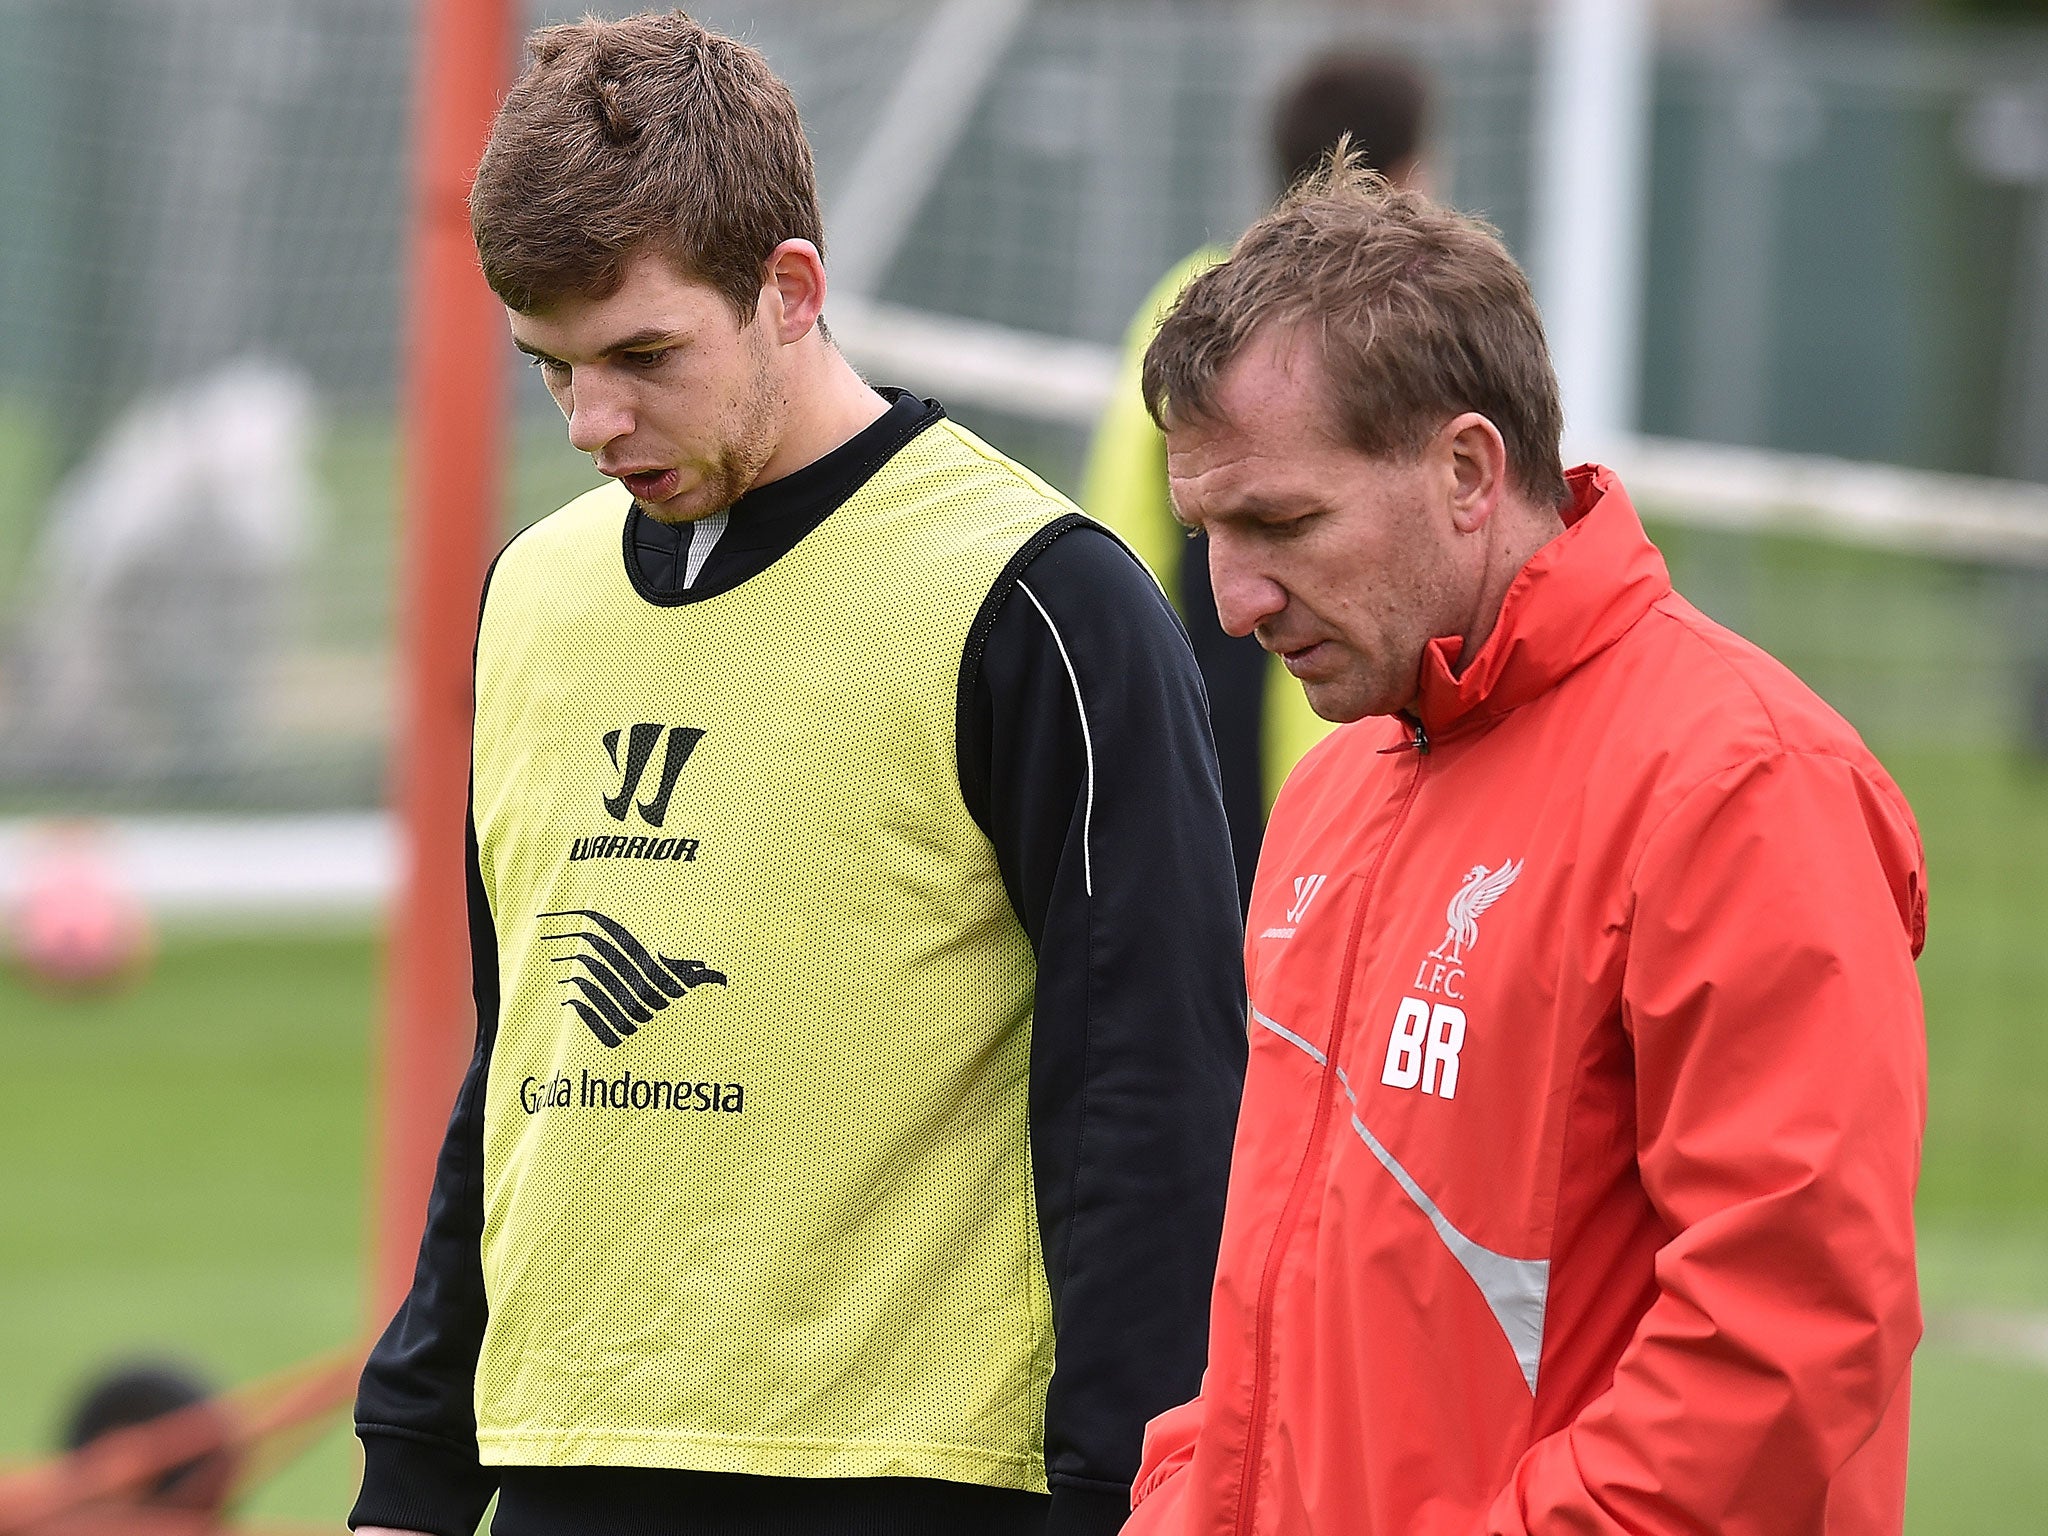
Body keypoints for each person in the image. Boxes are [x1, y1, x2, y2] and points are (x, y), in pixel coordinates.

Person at [349, 15, 1246, 1536]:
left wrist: (1120, 1499)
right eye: (552, 368)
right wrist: (413, 1468)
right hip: (562, 1466)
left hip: (910, 1487)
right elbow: (522, 1072)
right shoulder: (534, 598)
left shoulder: (1040, 597)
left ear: (791, 292)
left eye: (642, 356)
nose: (592, 424)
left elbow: (1154, 1101)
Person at [1122, 157, 1928, 1536]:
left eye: (1282, 522)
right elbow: (1261, 1330)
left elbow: (1785, 1349)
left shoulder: (1740, 785)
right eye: (1210, 532)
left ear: (1469, 470)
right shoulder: (1333, 793)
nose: (1236, 599)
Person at [1081, 50, 1431, 907]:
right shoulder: (1388, 328)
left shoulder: (1182, 299)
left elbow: (1113, 533)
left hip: (1187, 751)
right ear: (1407, 177)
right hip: (1310, 769)